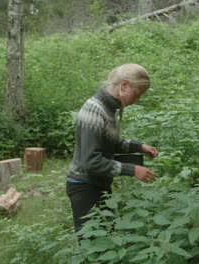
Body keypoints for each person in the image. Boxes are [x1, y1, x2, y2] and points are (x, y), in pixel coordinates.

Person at [66, 63, 159, 234]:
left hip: (98, 183)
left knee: (108, 237)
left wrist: (139, 146)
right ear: (124, 85)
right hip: (84, 186)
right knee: (91, 246)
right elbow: (90, 161)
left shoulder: (110, 108)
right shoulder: (94, 110)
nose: (137, 100)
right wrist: (132, 170)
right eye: (136, 94)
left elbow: (111, 143)